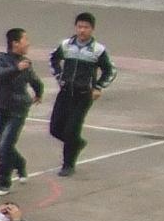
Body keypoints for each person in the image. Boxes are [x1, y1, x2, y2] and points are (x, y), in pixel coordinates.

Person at [48, 13, 116, 175]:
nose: (82, 30)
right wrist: (59, 76)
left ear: (92, 29)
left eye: (86, 27)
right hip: (65, 93)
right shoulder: (66, 45)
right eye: (79, 27)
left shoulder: (98, 50)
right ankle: (77, 143)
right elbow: (53, 59)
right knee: (55, 128)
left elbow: (110, 70)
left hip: (83, 95)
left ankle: (68, 165)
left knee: (72, 129)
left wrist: (98, 86)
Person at [0, 27, 44, 190]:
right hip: (2, 107)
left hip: (18, 109)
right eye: (25, 40)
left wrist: (38, 93)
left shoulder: (26, 64)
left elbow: (36, 81)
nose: (28, 43)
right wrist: (16, 68)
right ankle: (20, 163)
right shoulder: (0, 59)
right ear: (15, 43)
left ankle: (4, 180)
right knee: (2, 142)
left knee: (5, 145)